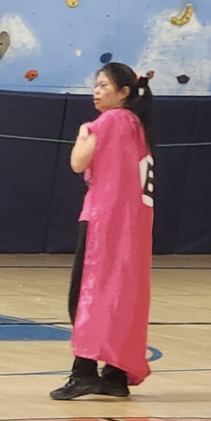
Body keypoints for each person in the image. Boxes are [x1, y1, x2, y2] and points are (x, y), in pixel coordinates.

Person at [50, 63, 156, 401]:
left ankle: (83, 372)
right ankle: (115, 374)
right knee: (120, 295)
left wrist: (83, 133)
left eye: (103, 86)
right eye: (95, 85)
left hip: (105, 221)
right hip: (134, 225)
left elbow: (78, 162)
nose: (96, 92)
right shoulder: (137, 125)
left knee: (86, 294)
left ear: (124, 92)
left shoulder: (109, 121)